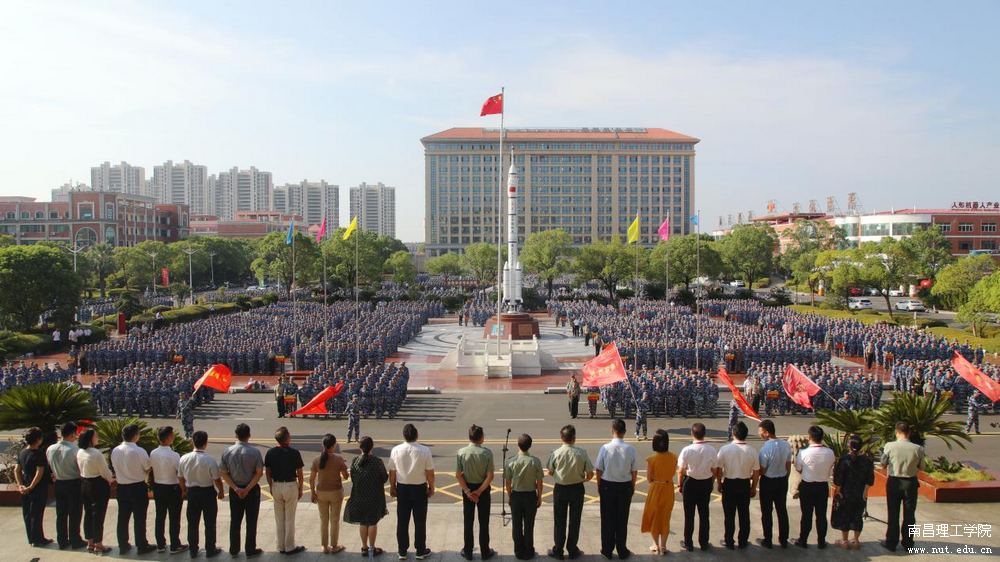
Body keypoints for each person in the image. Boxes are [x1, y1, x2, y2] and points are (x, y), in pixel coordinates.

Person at [546, 424, 594, 560]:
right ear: (574, 438)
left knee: (559, 520)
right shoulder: (581, 453)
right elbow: (590, 474)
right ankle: (572, 549)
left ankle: (558, 550)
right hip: (577, 488)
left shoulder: (555, 453)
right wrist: (583, 479)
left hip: (561, 488)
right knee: (575, 520)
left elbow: (550, 471)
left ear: (561, 438)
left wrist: (559, 476)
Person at [389, 423, 435, 561]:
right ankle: (420, 550)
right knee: (420, 521)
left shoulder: (396, 450)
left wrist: (392, 487)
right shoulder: (424, 450)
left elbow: (392, 472)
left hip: (402, 488)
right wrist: (432, 487)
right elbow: (430, 473)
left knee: (402, 521)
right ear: (417, 435)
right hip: (419, 488)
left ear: (403, 436)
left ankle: (402, 551)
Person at [880, 422, 927, 552]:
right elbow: (922, 467)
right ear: (909, 433)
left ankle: (891, 542)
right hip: (910, 483)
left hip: (894, 482)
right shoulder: (918, 448)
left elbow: (883, 463)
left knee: (893, 514)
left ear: (896, 432)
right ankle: (908, 542)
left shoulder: (889, 446)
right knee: (910, 514)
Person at [594, 419, 637, 559]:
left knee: (607, 519)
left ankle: (607, 549)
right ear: (624, 432)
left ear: (612, 431)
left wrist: (599, 485)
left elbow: (599, 469)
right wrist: (633, 485)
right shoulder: (630, 449)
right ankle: (622, 549)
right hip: (625, 486)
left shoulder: (605, 448)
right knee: (622, 519)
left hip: (607, 485)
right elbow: (634, 471)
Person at [110, 423, 156, 555]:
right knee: (139, 518)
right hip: (137, 487)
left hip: (122, 487)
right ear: (135, 436)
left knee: (122, 518)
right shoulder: (139, 451)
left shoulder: (115, 450)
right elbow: (147, 468)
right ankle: (142, 545)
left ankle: (123, 545)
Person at [178, 430, 225, 558]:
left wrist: (184, 491)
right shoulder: (209, 459)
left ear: (193, 442)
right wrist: (221, 491)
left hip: (192, 492)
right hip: (207, 492)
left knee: (192, 523)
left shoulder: (184, 458)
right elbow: (216, 479)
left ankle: (193, 549)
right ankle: (210, 549)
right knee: (210, 522)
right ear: (205, 443)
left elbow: (180, 477)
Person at [220, 423, 264, 558]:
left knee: (235, 520)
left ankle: (234, 549)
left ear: (236, 435)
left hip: (235, 490)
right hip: (251, 490)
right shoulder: (255, 452)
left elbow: (223, 472)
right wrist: (248, 488)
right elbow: (259, 473)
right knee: (251, 520)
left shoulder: (228, 451)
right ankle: (250, 549)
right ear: (249, 435)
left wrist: (235, 488)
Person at [716, 421, 760, 550]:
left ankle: (729, 540)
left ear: (733, 433)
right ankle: (743, 541)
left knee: (729, 515)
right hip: (744, 484)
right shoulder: (752, 451)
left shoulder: (725, 449)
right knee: (744, 515)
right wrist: (753, 487)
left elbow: (719, 469)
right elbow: (756, 472)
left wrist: (719, 483)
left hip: (729, 484)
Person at [344, 436, 389, 557]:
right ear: (372, 447)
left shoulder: (355, 461)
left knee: (363, 522)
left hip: (359, 495)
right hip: (374, 496)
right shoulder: (377, 461)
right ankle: (372, 548)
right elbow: (384, 478)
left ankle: (364, 547)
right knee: (373, 522)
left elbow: (353, 478)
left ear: (360, 447)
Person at [456, 425, 496, 560]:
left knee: (468, 521)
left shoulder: (461, 452)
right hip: (482, 489)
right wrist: (479, 491)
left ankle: (468, 551)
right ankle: (485, 551)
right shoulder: (487, 453)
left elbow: (458, 475)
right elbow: (490, 476)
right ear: (481, 437)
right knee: (484, 521)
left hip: (467, 488)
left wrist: (468, 492)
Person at [264, 426, 306, 555]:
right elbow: (300, 472)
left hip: (276, 485)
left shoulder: (270, 452)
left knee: (279, 518)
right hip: (290, 485)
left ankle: (281, 545)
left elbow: (268, 472)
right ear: (287, 438)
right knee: (289, 518)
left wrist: (271, 486)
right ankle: (290, 546)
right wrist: (301, 488)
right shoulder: (294, 452)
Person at [793, 425, 835, 549]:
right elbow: (832, 466)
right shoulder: (830, 452)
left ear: (809, 437)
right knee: (821, 516)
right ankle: (821, 541)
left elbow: (798, 468)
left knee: (806, 515)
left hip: (807, 486)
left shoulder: (803, 453)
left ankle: (803, 539)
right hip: (822, 487)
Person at [677, 422, 717, 552]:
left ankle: (688, 542)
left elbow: (681, 470)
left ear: (692, 433)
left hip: (690, 482)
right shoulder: (711, 450)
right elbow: (714, 470)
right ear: (705, 434)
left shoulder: (687, 450)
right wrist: (711, 482)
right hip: (705, 482)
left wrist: (680, 484)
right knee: (704, 513)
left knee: (689, 514)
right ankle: (704, 542)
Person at [504, 433, 544, 561]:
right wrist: (539, 497)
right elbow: (539, 482)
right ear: (530, 446)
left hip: (516, 495)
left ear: (517, 445)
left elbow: (508, 482)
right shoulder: (535, 461)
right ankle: (528, 550)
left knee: (516, 525)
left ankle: (518, 550)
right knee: (529, 525)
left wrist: (510, 495)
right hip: (530, 496)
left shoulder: (511, 461)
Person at [831, 434, 875, 550]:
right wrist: (865, 491)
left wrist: (838, 491)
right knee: (857, 516)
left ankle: (845, 541)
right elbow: (870, 479)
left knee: (845, 515)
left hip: (846, 492)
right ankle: (856, 540)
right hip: (859, 493)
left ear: (849, 446)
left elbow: (838, 478)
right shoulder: (867, 460)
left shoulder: (844, 460)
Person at [47, 421, 86, 550]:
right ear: (72, 434)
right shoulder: (75, 450)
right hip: (73, 483)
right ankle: (75, 540)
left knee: (61, 514)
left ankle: (62, 540)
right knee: (75, 513)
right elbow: (80, 468)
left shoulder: (50, 449)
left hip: (59, 483)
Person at [150, 426, 187, 554]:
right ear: (169, 438)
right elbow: (180, 473)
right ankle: (175, 544)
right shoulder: (174, 455)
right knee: (174, 518)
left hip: (158, 487)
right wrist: (184, 489)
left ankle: (160, 544)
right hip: (172, 488)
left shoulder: (153, 453)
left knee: (160, 516)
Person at [310, 434, 349, 554]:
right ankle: (334, 545)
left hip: (321, 492)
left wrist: (313, 492)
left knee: (324, 520)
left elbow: (311, 479)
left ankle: (324, 546)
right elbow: (346, 476)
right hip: (336, 492)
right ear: (334, 445)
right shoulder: (338, 459)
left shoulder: (317, 459)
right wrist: (344, 466)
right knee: (334, 520)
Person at [77, 428, 114, 554]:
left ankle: (90, 542)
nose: (97, 437)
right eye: (95, 436)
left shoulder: (80, 452)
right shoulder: (96, 453)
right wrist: (110, 478)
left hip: (85, 483)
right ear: (90, 439)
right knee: (98, 515)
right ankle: (99, 543)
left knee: (88, 513)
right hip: (97, 485)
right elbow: (105, 472)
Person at [756, 419, 792, 549]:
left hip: (768, 481)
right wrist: (785, 477)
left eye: (761, 431)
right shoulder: (786, 444)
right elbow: (788, 464)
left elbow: (763, 469)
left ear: (767, 433)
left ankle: (768, 539)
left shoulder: (765, 448)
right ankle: (784, 539)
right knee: (782, 510)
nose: (759, 434)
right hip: (782, 480)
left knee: (767, 512)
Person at [640, 430, 676, 555]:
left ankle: (656, 544)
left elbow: (649, 478)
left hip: (656, 488)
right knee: (665, 517)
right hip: (668, 487)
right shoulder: (674, 457)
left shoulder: (652, 459)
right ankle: (663, 546)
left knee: (654, 516)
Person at [16, 426, 51, 547]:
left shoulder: (22, 452)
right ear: (37, 439)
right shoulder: (39, 454)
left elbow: (17, 470)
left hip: (25, 486)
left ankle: (31, 538)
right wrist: (31, 486)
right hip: (37, 488)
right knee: (37, 514)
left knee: (27, 513)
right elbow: (39, 472)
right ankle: (38, 538)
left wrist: (21, 485)